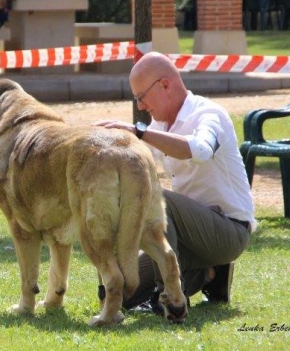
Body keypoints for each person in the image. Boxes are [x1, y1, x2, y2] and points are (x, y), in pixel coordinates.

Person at [95, 52, 256, 312]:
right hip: (190, 236)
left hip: (230, 230)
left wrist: (138, 131)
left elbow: (200, 150)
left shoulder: (209, 114)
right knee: (117, 290)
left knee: (157, 198)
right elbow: (134, 161)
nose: (141, 106)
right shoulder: (159, 125)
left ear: (165, 85)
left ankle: (167, 294)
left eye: (141, 97)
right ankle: (211, 273)